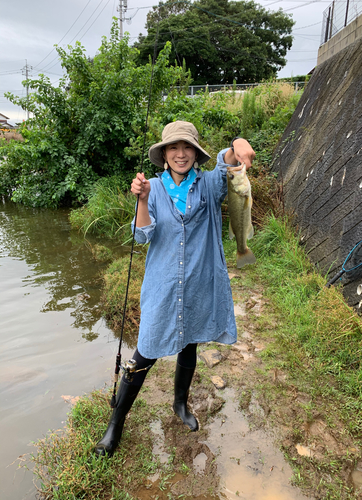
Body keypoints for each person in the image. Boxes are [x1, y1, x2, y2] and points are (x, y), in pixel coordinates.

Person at [94, 121, 255, 457]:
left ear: (196, 154)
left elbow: (229, 163)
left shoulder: (210, 185)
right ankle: (115, 424)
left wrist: (237, 143)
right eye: (173, 148)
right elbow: (141, 236)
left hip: (198, 282)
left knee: (190, 341)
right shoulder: (151, 187)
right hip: (164, 285)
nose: (181, 154)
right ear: (164, 154)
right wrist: (142, 200)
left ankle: (180, 404)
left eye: (187, 148)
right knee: (145, 349)